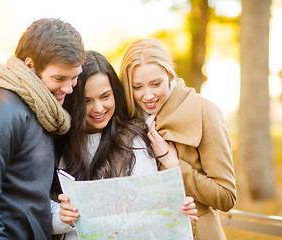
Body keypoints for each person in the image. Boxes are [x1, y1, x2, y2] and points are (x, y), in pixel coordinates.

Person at [0, 18, 85, 240]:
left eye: (74, 78)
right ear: (29, 65)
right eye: (59, 78)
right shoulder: (0, 110)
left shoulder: (38, 108)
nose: (68, 88)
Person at [50, 50, 198, 240]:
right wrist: (63, 217)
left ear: (116, 94)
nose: (98, 108)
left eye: (105, 96)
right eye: (87, 101)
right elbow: (37, 211)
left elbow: (152, 209)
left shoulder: (132, 141)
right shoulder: (57, 142)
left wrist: (176, 211)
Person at [119, 38, 237, 240]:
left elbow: (226, 197)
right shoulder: (125, 120)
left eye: (156, 84)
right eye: (137, 87)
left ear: (170, 75)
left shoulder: (205, 112)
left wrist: (174, 165)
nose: (147, 95)